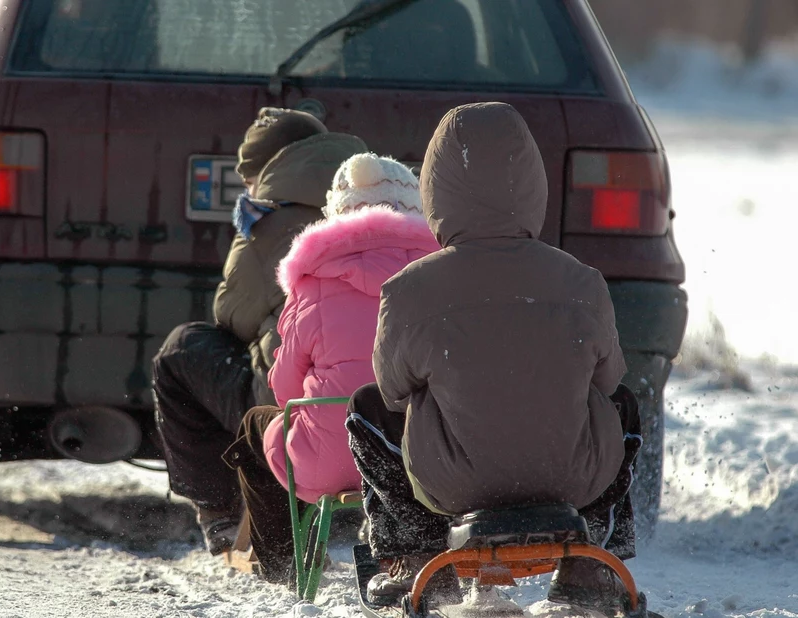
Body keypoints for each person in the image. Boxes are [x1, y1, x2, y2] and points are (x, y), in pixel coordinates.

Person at [345, 102, 643, 611]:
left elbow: (393, 391)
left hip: (454, 483)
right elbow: (609, 378)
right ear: (531, 183)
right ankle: (591, 561)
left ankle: (415, 556)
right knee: (625, 407)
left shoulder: (409, 291)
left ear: (435, 187)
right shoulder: (581, 281)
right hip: (569, 476)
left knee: (366, 409)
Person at [152, 108, 368, 556]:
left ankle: (220, 512)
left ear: (265, 170)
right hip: (390, 419)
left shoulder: (270, 219)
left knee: (182, 351)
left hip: (305, 417)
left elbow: (232, 313)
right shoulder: (386, 212)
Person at [222, 154, 440, 582]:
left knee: (259, 427)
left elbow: (285, 391)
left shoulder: (313, 280)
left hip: (335, 457)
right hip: (426, 456)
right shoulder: (440, 272)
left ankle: (283, 563)